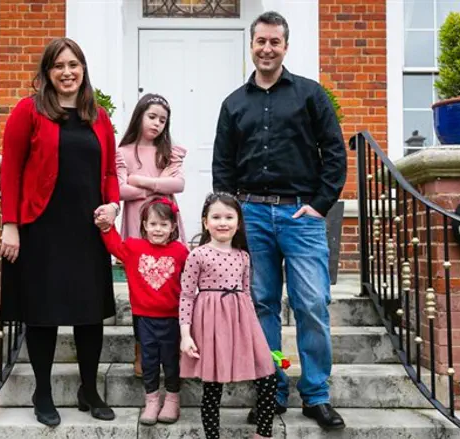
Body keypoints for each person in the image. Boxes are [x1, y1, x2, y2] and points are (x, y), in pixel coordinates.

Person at [211, 11, 348, 431]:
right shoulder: (234, 103)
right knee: (262, 306)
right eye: (260, 42)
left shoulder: (310, 95)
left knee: (311, 304)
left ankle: (316, 394)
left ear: (285, 46)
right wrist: (231, 217)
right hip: (251, 215)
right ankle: (272, 390)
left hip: (300, 213)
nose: (267, 49)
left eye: (275, 42)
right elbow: (223, 167)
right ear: (251, 45)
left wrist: (321, 205)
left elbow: (335, 154)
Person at [0, 37, 119, 427]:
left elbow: (110, 173)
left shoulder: (98, 117)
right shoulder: (28, 111)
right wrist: (11, 226)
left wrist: (113, 205)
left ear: (83, 70)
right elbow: (11, 170)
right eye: (59, 66)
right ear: (47, 73)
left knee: (89, 315)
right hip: (43, 228)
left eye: (74, 65)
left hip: (87, 229)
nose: (67, 72)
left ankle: (89, 388)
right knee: (43, 313)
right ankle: (43, 392)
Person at [179, 193, 277, 439]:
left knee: (268, 375)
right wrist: (185, 335)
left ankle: (263, 434)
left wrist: (253, 330)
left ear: (239, 222)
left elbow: (246, 292)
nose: (223, 222)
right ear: (205, 222)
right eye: (216, 217)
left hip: (242, 321)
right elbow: (187, 296)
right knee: (212, 387)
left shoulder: (243, 256)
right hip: (211, 323)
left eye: (229, 217)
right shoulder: (197, 255)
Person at [96, 196, 189, 425]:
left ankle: (172, 400)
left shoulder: (180, 252)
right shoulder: (134, 248)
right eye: (153, 224)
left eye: (164, 224)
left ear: (173, 227)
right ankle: (152, 401)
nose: (158, 229)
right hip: (144, 318)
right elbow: (114, 245)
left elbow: (193, 276)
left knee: (170, 361)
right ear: (144, 225)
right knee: (148, 361)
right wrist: (107, 227)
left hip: (172, 318)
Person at [116, 93, 188, 378]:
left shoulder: (169, 152)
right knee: (141, 288)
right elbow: (120, 190)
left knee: (171, 284)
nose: (157, 124)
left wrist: (141, 181)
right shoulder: (123, 152)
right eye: (152, 117)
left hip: (166, 226)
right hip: (137, 223)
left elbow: (179, 183)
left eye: (163, 120)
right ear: (139, 116)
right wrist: (159, 187)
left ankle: (175, 346)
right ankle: (141, 350)